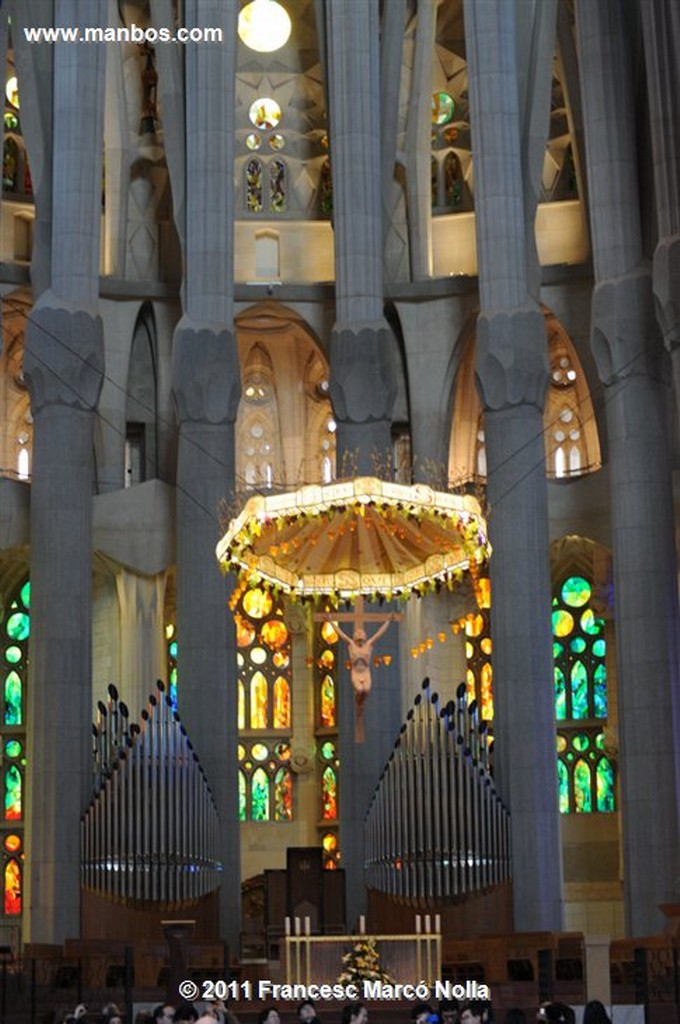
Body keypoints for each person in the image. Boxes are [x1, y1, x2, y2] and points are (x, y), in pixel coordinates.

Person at [331, 614, 396, 741]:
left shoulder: (369, 645)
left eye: (362, 639)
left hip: (365, 673)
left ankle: (360, 705)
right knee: (360, 690)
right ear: (355, 639)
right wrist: (331, 621)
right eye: (358, 639)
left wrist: (388, 621)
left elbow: (379, 634)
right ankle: (358, 706)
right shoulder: (351, 645)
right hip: (356, 672)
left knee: (366, 689)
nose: (360, 641)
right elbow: (341, 634)